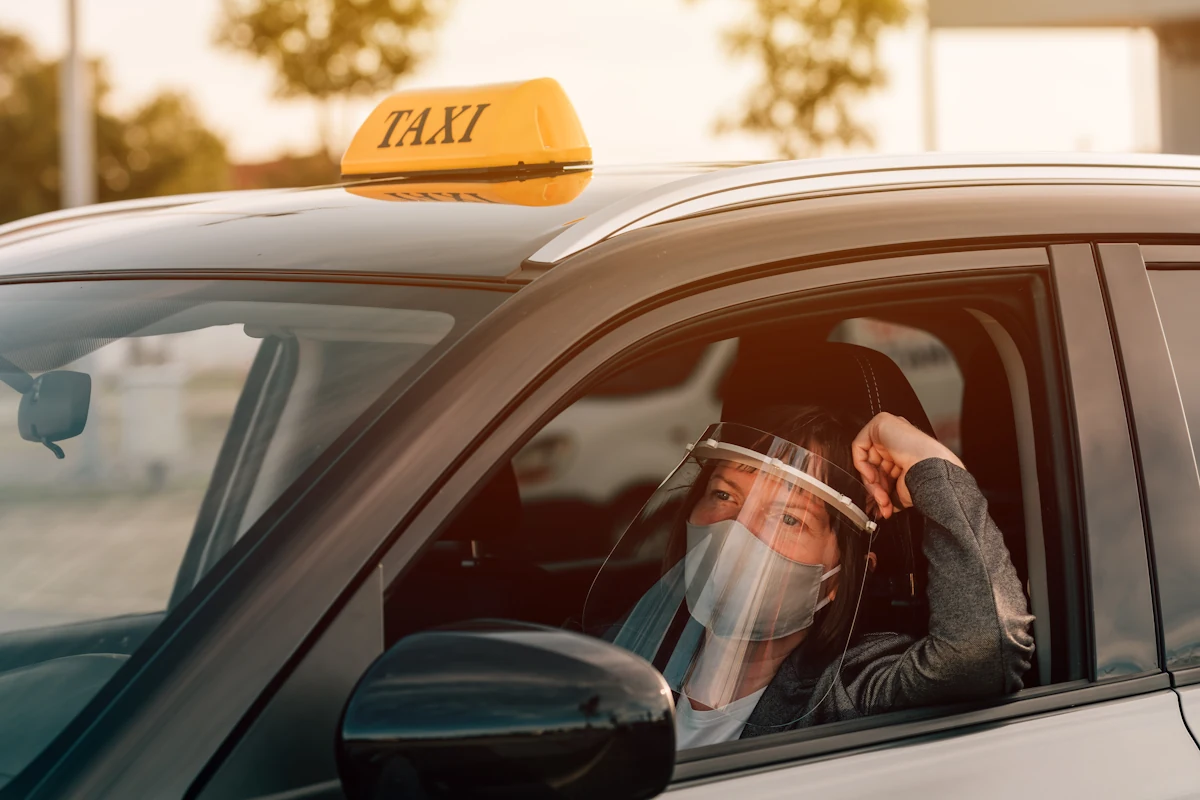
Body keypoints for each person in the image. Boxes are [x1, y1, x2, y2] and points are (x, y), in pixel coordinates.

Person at [583, 404, 1034, 750]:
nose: (737, 528)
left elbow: (983, 653)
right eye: (723, 494)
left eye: (788, 518)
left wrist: (930, 465)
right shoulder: (628, 649)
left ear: (837, 579)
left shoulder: (842, 690)